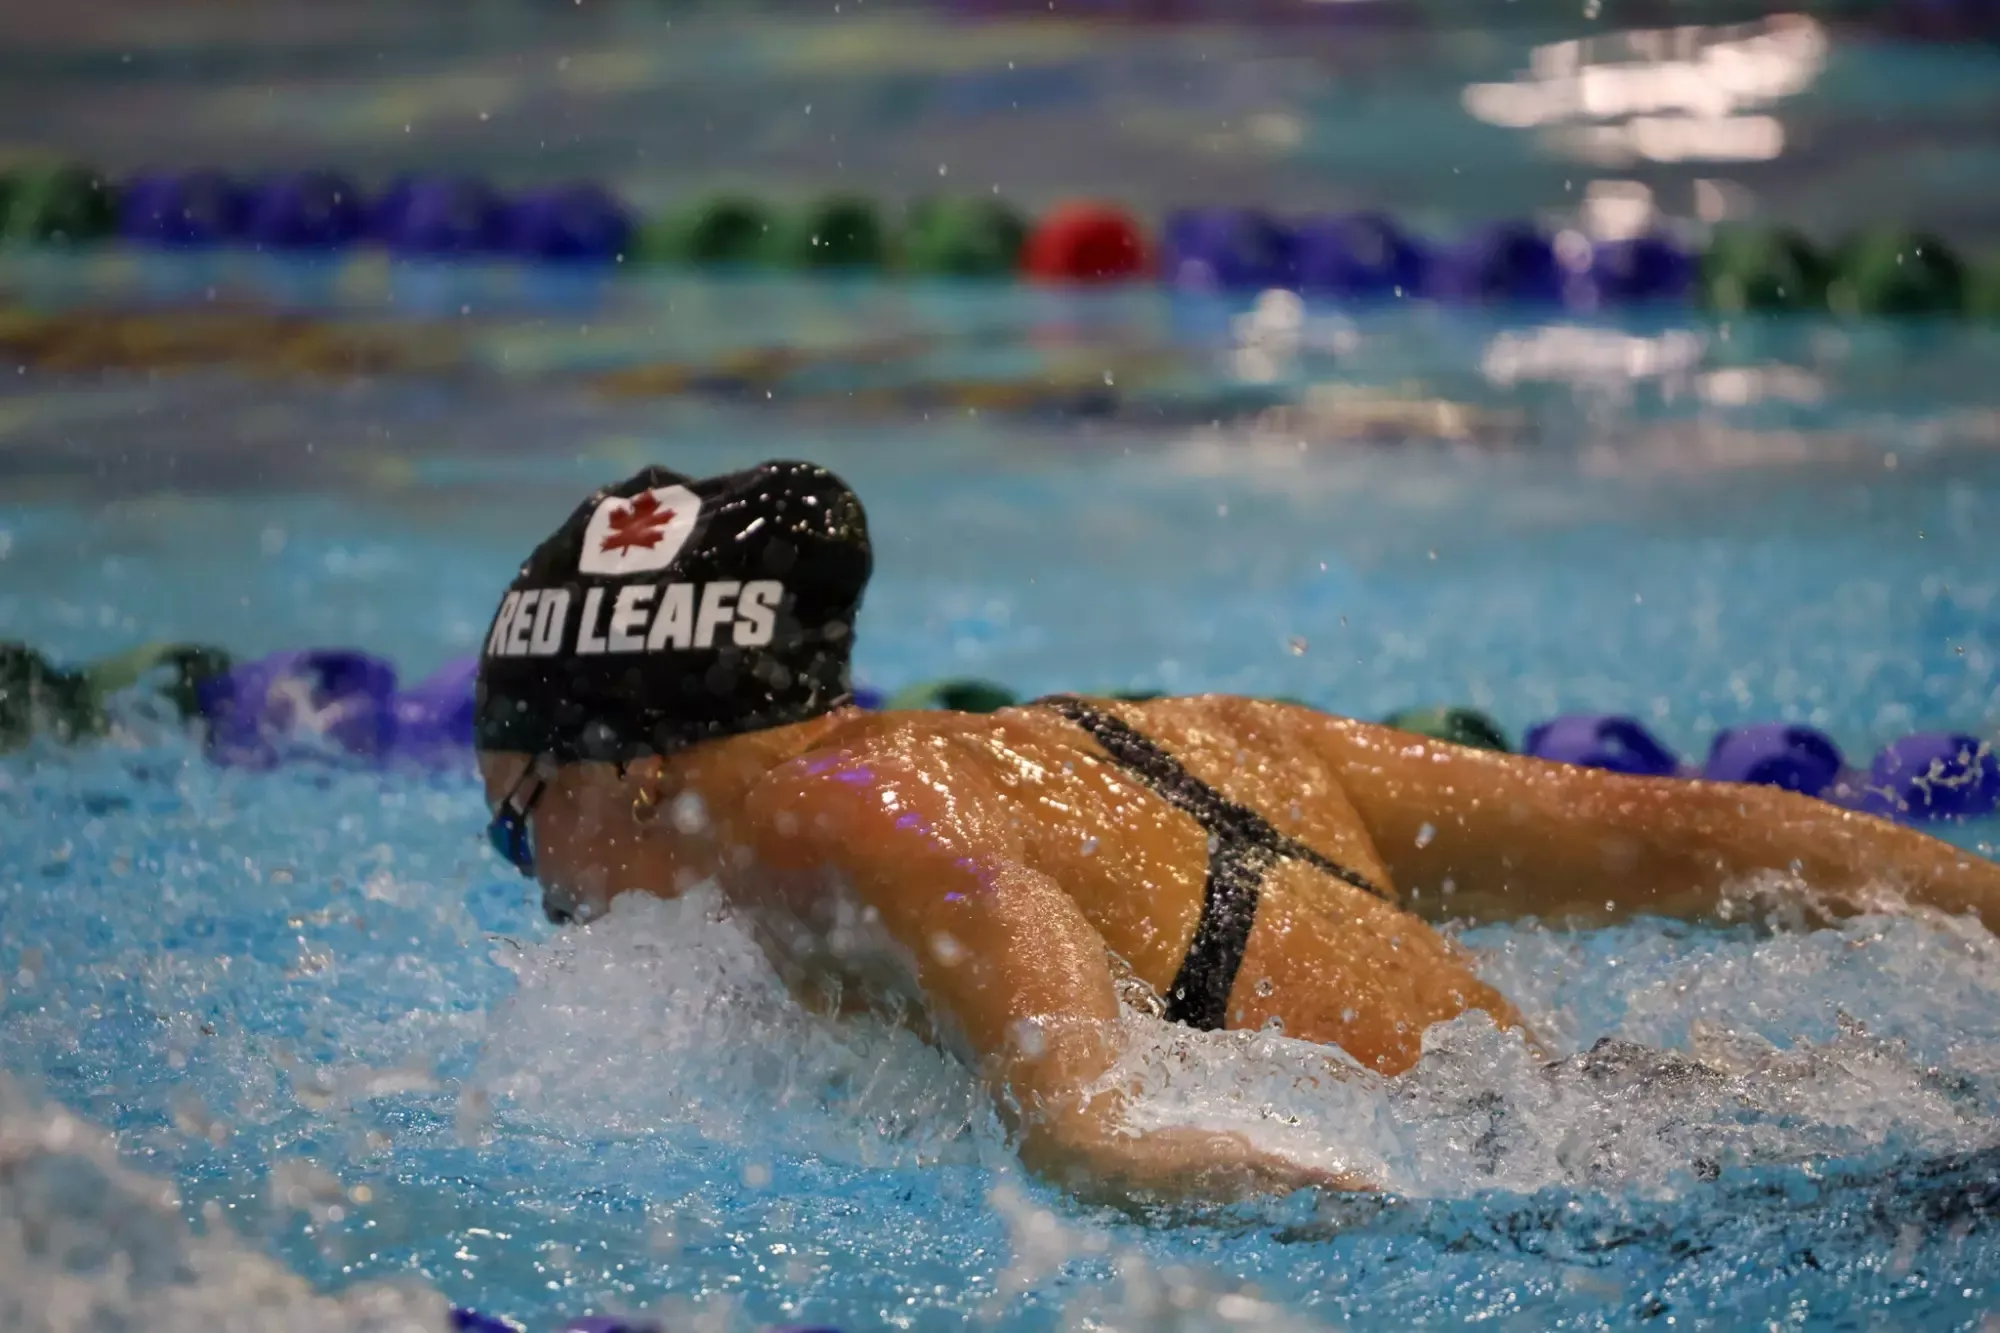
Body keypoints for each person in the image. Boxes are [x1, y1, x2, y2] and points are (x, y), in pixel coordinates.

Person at [475, 460, 2000, 1206]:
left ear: (632, 772)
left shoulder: (810, 820)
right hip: (1661, 1128)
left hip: (1566, 1221)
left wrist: (1106, 1147)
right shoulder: (1173, 742)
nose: (538, 890)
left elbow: (1068, 1072)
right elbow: (1689, 837)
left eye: (517, 830)